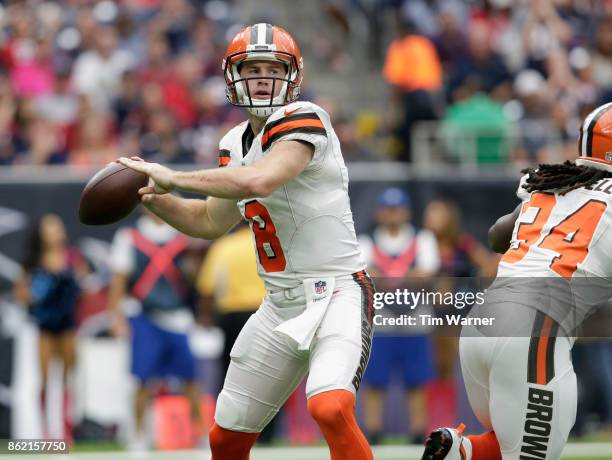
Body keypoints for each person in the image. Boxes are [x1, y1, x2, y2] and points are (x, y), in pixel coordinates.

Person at [118, 23, 375, 460]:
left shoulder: (306, 117)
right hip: (279, 305)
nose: (261, 77)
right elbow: (208, 219)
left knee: (330, 406)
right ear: (232, 76)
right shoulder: (232, 144)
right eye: (251, 67)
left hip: (337, 291)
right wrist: (153, 199)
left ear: (292, 75)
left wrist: (175, 175)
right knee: (225, 437)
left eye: (271, 67)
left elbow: (261, 178)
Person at [422, 102, 612, 460]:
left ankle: (459, 451)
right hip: (533, 332)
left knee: (510, 440)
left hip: (483, 321)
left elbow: (497, 235)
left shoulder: (553, 182)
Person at [107, 209, 203, 450]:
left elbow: (194, 278)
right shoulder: (129, 236)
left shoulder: (183, 234)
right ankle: (138, 437)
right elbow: (118, 281)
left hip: (178, 317)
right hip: (144, 316)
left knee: (190, 379)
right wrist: (116, 318)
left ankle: (200, 435)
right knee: (141, 379)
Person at [358, 187, 439, 444]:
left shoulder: (423, 238)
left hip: (415, 322)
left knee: (416, 380)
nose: (393, 214)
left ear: (406, 211)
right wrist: (408, 276)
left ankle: (418, 431)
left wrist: (385, 276)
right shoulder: (366, 240)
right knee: (375, 381)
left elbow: (428, 276)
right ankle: (374, 431)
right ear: (380, 212)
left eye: (397, 209)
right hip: (380, 324)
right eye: (388, 209)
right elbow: (365, 277)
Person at [14, 214, 86, 442]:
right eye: (50, 227)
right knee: (44, 378)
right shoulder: (33, 262)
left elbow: (83, 284)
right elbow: (22, 292)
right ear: (41, 234)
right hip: (44, 325)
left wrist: (79, 280)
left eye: (58, 225)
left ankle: (66, 430)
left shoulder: (72, 257)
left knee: (68, 375)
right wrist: (32, 296)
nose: (57, 229)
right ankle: (46, 432)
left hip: (67, 324)